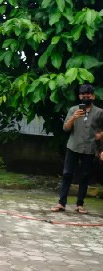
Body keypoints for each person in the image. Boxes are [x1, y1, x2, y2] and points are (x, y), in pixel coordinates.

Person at [51, 83, 103, 214]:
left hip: (90, 148)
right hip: (73, 146)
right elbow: (66, 128)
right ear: (80, 96)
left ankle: (80, 205)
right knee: (67, 174)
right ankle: (61, 203)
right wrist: (74, 117)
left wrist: (101, 135)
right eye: (83, 95)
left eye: (88, 95)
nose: (85, 97)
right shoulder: (73, 109)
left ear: (93, 96)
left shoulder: (99, 112)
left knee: (85, 176)